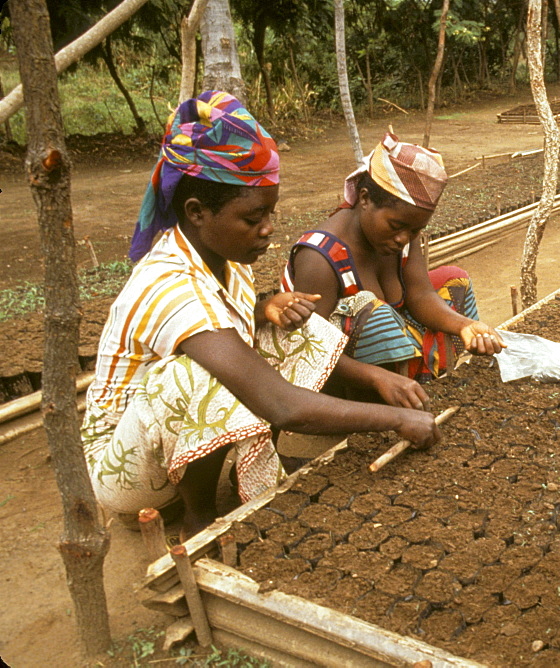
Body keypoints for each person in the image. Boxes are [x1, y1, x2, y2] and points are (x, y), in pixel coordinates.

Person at [83, 92, 440, 540]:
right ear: (197, 212)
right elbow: (282, 405)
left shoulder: (226, 259)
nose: (269, 228)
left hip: (164, 442)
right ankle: (198, 516)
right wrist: (394, 416)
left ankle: (247, 473)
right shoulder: (169, 284)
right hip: (125, 469)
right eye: (254, 217)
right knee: (199, 372)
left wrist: (263, 306)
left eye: (270, 212)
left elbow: (233, 316)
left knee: (296, 326)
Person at [281, 132, 505, 409]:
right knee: (373, 311)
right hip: (336, 383)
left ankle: (429, 384)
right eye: (396, 226)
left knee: (455, 280)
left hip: (387, 361)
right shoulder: (320, 257)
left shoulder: (403, 240)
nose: (404, 238)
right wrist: (377, 379)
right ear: (364, 198)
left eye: (415, 229)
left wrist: (466, 326)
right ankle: (385, 407)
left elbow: (420, 295)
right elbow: (311, 348)